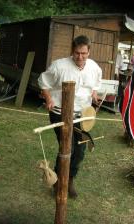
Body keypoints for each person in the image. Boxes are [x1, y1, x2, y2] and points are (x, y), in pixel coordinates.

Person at [38, 35, 102, 198]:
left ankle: (69, 180)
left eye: (83, 53)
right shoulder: (59, 66)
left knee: (80, 151)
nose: (80, 57)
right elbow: (43, 83)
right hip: (60, 114)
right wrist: (49, 98)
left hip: (83, 116)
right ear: (72, 51)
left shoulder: (94, 68)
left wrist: (94, 94)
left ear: (89, 51)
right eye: (77, 53)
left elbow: (94, 85)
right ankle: (59, 183)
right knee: (68, 148)